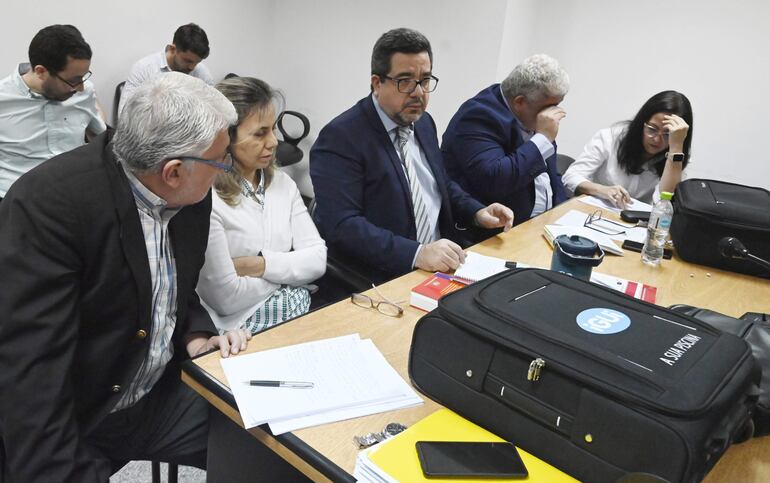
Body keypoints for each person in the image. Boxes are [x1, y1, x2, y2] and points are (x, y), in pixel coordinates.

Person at [0, 73, 250, 482]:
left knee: (265, 445)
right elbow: (32, 381)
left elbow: (173, 284)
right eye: (221, 159)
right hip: (80, 417)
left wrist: (196, 335)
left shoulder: (190, 193)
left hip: (155, 395)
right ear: (173, 171)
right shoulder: (46, 208)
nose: (225, 168)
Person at [310, 28, 513, 284]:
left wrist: (477, 212)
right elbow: (342, 226)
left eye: (425, 80)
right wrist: (417, 253)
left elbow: (438, 184)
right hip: (387, 274)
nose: (418, 92)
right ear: (377, 83)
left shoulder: (423, 122)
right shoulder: (341, 138)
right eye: (405, 81)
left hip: (446, 261)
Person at [197, 76, 326, 334]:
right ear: (226, 138)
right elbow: (225, 298)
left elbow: (318, 260)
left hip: (297, 316)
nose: (274, 142)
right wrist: (290, 277)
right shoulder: (205, 197)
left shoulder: (283, 184)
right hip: (238, 329)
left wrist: (259, 265)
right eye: (260, 133)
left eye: (273, 129)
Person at [441, 54, 569, 235]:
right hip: (491, 234)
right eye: (549, 106)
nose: (554, 113)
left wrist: (561, 215)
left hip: (542, 227)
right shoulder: (478, 116)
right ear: (520, 102)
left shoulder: (534, 116)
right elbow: (495, 179)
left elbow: (550, 175)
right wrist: (541, 139)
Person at [0, 24, 106, 201]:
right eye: (74, 80)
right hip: (17, 200)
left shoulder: (84, 91)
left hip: (73, 194)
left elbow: (100, 135)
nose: (80, 88)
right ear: (41, 71)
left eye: (83, 77)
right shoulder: (4, 100)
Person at [561, 91, 693, 207]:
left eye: (667, 134)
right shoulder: (610, 138)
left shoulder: (676, 156)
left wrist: (675, 149)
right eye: (652, 129)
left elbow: (665, 202)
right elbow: (571, 176)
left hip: (636, 225)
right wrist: (603, 190)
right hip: (594, 212)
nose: (657, 139)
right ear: (642, 123)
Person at [118, 23, 214, 115]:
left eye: (197, 62)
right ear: (173, 49)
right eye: (187, 61)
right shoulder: (144, 68)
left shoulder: (202, 73)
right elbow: (124, 113)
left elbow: (215, 110)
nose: (192, 67)